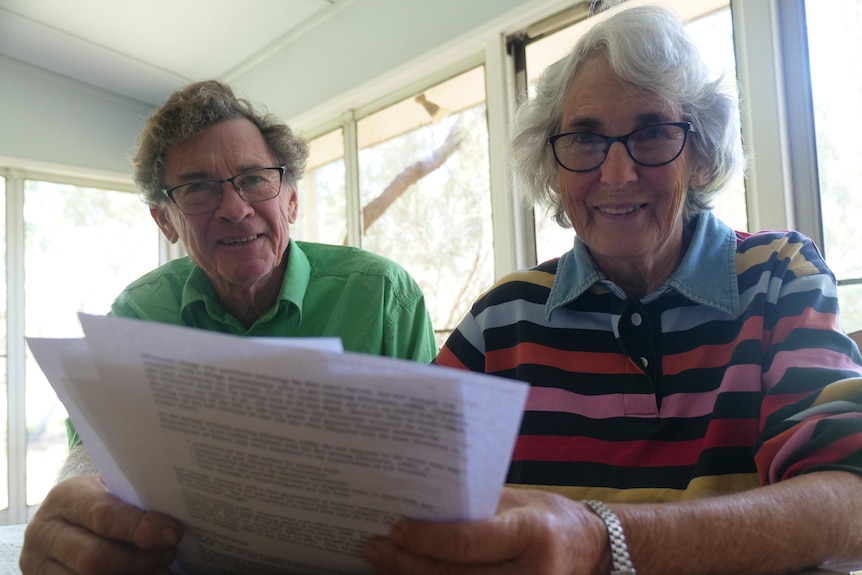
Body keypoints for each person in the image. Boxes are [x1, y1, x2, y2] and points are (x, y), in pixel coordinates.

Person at [363, 4, 862, 575]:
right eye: (584, 139)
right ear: (552, 167)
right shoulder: (504, 319)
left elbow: (849, 509)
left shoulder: (778, 277)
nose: (618, 173)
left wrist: (604, 542)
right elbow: (402, 491)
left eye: (651, 133)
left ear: (699, 154)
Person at [20, 80, 438, 574]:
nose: (235, 209)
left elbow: (430, 467)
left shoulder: (383, 294)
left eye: (255, 179)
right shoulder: (137, 312)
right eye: (197, 189)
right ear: (166, 222)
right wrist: (78, 499)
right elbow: (92, 449)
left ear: (290, 201)